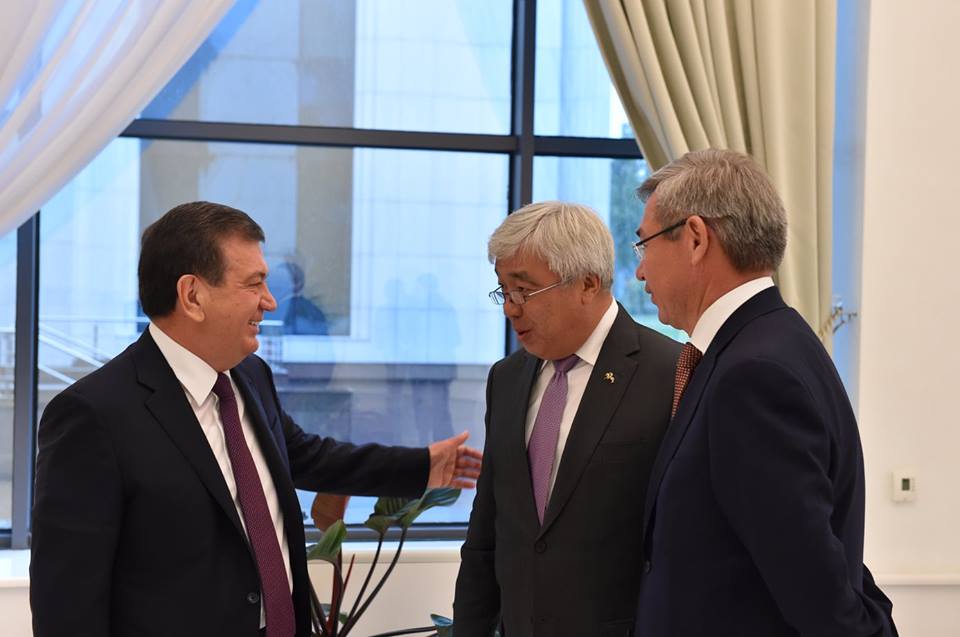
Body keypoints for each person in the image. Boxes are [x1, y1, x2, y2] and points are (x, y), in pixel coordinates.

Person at [30, 201, 482, 637]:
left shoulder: (250, 375)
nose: (270, 302)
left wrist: (421, 466)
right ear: (192, 295)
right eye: (254, 284)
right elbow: (67, 603)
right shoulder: (93, 415)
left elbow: (305, 456)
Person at [632, 149, 897, 636]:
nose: (640, 271)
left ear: (695, 238)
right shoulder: (770, 342)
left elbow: (817, 589)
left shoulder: (752, 374)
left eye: (643, 244)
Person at [454, 201, 680, 636]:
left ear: (587, 284)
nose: (510, 309)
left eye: (524, 291)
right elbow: (486, 536)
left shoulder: (669, 373)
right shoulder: (506, 379)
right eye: (504, 291)